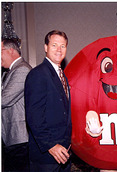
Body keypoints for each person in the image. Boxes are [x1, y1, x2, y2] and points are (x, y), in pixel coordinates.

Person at [24, 30, 72, 171]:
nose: (59, 49)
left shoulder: (62, 75)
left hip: (63, 152)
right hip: (46, 155)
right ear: (46, 47)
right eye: (54, 45)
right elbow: (34, 116)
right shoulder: (38, 74)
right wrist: (50, 145)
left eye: (62, 46)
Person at [1, 38, 32, 171]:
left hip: (19, 139)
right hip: (12, 138)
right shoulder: (9, 71)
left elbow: (4, 99)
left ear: (11, 50)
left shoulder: (22, 70)